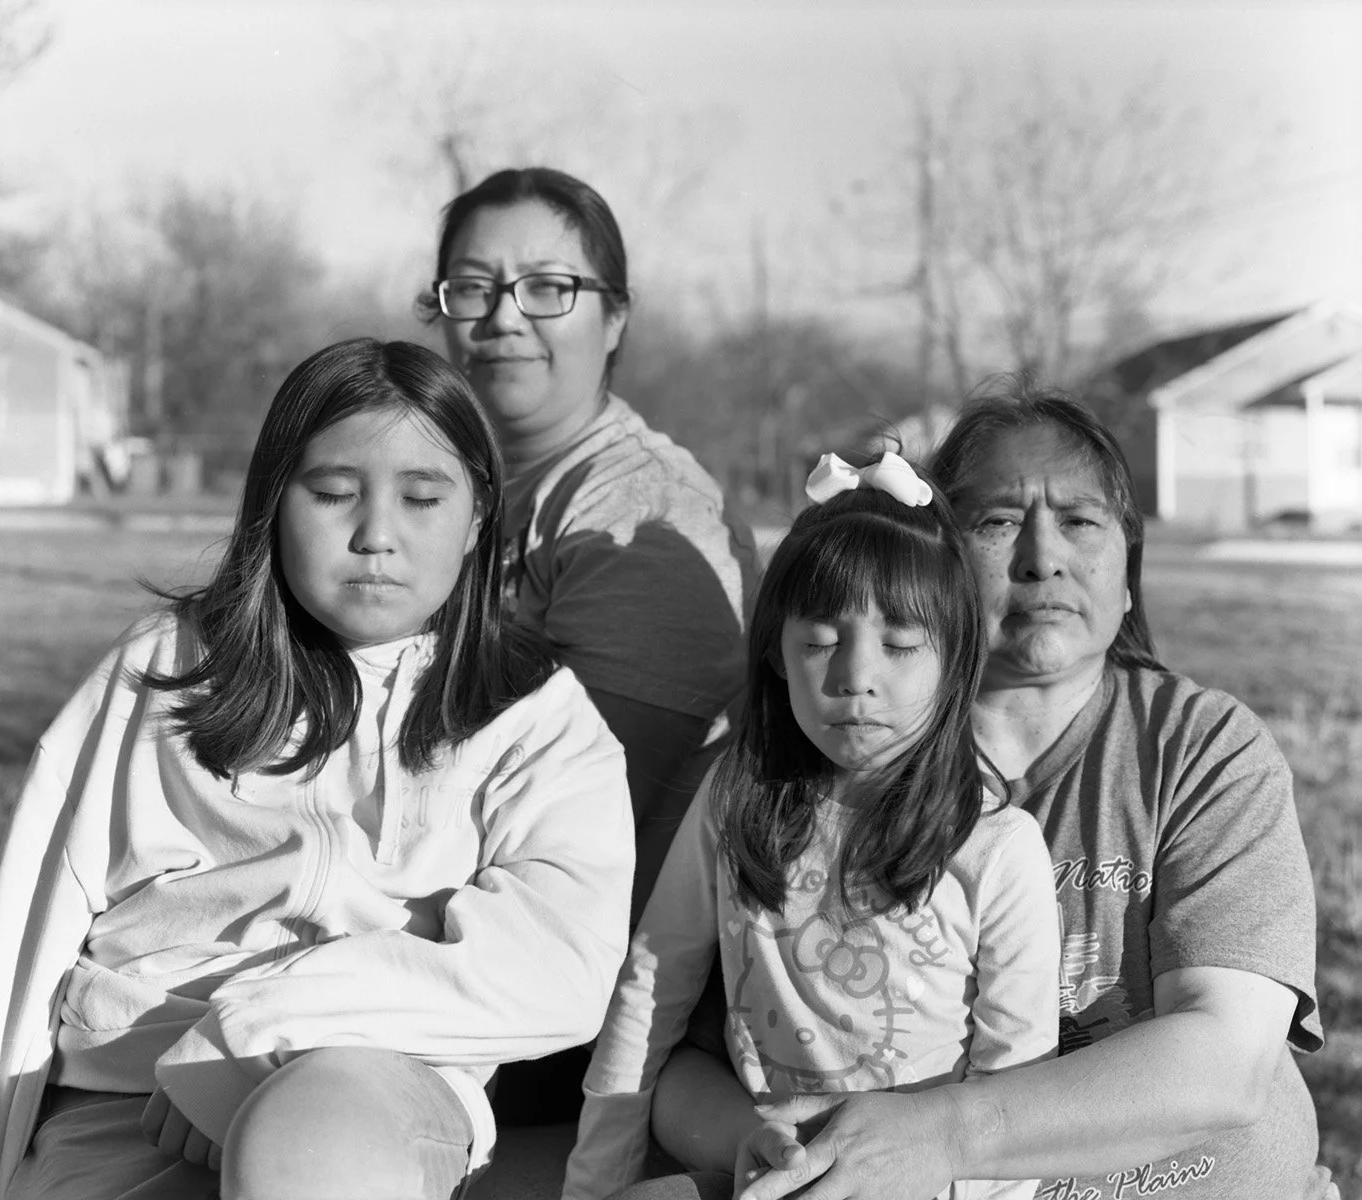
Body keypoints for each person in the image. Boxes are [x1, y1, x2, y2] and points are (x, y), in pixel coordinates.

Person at [0, 337, 636, 1200]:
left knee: (309, 1141)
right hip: (125, 1099)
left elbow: (558, 965)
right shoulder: (168, 669)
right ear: (273, 503)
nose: (376, 535)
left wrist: (258, 1029)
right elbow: (31, 929)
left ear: (478, 515)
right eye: (332, 493)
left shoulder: (533, 716)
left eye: (422, 497)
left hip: (373, 1090)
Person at [645, 381, 1330, 1200]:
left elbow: (1225, 1061)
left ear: (1128, 571)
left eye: (1081, 521)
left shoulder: (1204, 749)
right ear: (930, 558)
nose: (1042, 558)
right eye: (998, 522)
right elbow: (674, 1054)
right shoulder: (801, 766)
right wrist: (773, 1147)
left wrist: (941, 1137)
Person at [561, 450, 1063, 1200]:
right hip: (758, 1175)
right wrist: (593, 1184)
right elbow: (653, 982)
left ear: (956, 657)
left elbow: (1015, 1088)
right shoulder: (736, 796)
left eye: (900, 645)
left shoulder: (997, 848)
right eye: (821, 642)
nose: (856, 676)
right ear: (775, 655)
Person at [421, 166, 758, 1122]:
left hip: (573, 993)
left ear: (615, 318)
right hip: (453, 910)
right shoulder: (460, 490)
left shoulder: (641, 514)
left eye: (548, 287)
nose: (503, 317)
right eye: (473, 287)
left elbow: (591, 821)